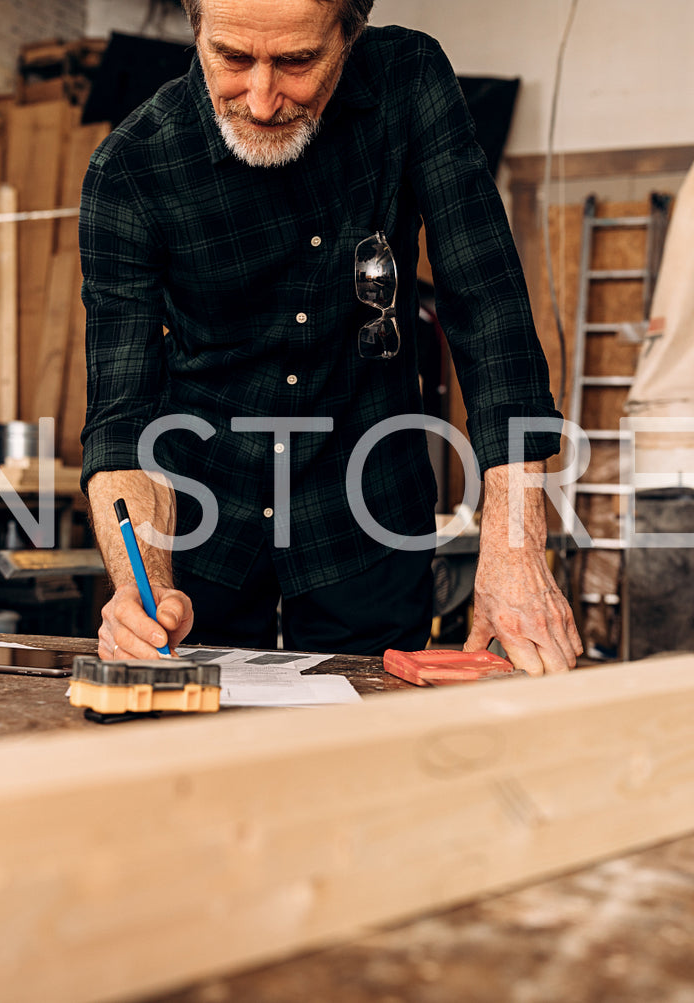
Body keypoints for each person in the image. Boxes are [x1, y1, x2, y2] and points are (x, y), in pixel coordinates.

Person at [78, 0, 583, 673]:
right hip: (202, 516)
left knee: (377, 757)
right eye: (231, 59)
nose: (260, 101)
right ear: (195, 29)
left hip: (365, 504)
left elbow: (486, 303)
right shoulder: (131, 170)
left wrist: (514, 544)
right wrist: (142, 585)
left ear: (349, 34)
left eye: (296, 62)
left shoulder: (406, 79)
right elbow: (122, 419)